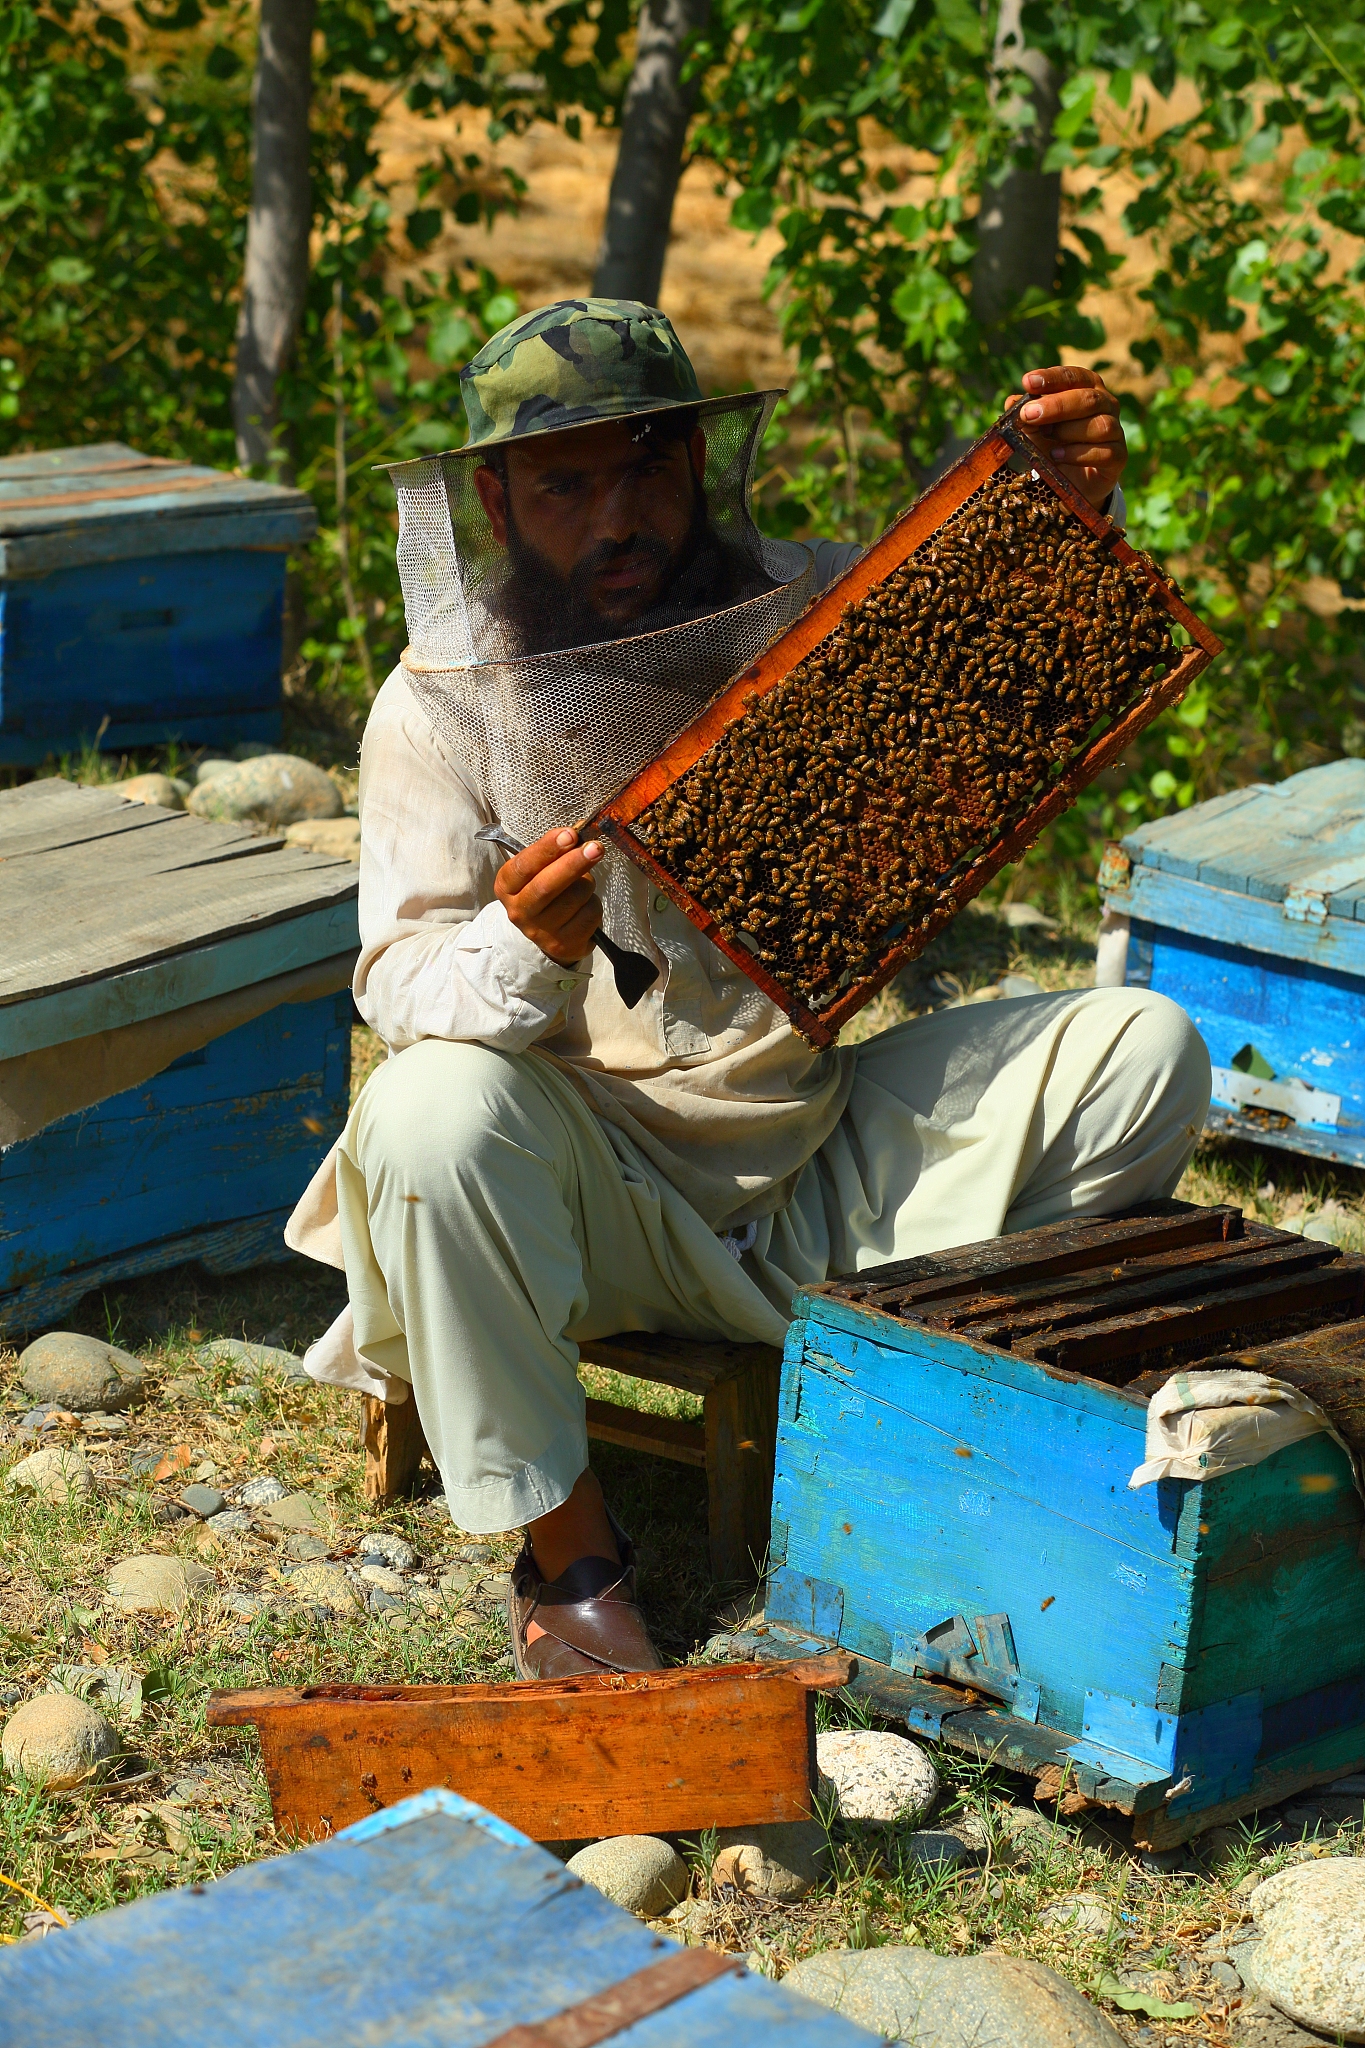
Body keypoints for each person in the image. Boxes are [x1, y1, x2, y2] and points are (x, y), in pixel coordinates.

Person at [288, 297, 1211, 1681]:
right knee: (426, 1114)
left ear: (701, 468)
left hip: (816, 1155)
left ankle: (908, 1386)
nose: (621, 516)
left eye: (651, 466)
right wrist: (519, 948)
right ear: (492, 496)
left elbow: (995, 673)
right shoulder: (437, 703)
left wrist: (1060, 517)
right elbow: (397, 983)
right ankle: (569, 1553)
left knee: (1145, 1046)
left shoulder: (804, 601)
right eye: (566, 484)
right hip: (592, 1194)